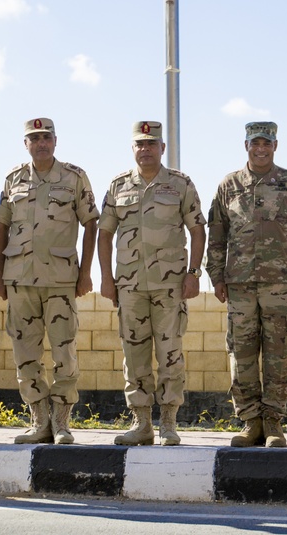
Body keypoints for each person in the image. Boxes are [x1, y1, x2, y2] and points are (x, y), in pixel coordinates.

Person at [206, 121, 287, 448]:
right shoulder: (229, 185)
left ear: (275, 146)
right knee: (241, 354)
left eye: (266, 143)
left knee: (277, 354)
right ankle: (250, 421)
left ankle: (273, 423)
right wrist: (215, 276)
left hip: (280, 286)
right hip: (239, 285)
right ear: (246, 146)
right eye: (255, 143)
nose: (261, 148)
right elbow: (217, 236)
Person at [0, 118, 99, 445]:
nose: (41, 143)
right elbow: (0, 226)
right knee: (26, 353)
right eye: (34, 138)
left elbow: (91, 223)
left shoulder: (74, 177)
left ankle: (62, 422)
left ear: (55, 141)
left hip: (60, 280)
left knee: (64, 352)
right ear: (26, 143)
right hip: (20, 280)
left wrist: (85, 272)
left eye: (46, 137)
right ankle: (39, 421)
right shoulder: (13, 179)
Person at [99, 121, 206, 446]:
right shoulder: (118, 186)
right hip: (130, 286)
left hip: (170, 285)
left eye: (151, 144)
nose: (145, 149)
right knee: (134, 353)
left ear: (162, 147)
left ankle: (169, 423)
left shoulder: (180, 184)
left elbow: (198, 229)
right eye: (140, 144)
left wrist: (193, 273)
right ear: (133, 149)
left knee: (170, 351)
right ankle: (142, 423)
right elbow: (104, 233)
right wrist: (106, 277)